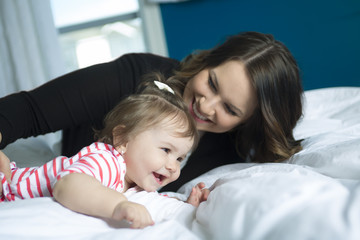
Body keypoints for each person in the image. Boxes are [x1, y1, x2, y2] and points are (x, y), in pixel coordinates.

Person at [0, 31, 303, 192]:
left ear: (248, 121)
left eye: (229, 108)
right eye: (211, 83)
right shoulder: (135, 75)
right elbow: (29, 110)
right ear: (208, 62)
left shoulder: (230, 155)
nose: (205, 106)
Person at [0, 80, 209, 229]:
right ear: (122, 140)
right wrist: (117, 205)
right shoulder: (105, 160)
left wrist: (185, 209)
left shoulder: (136, 180)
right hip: (7, 190)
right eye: (166, 150)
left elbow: (150, 204)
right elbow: (67, 186)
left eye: (180, 158)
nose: (173, 166)